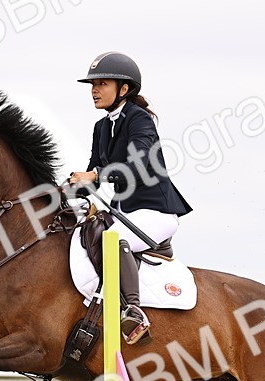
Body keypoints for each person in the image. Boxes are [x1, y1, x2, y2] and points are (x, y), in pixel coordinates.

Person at [68, 52, 192, 344]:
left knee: (112, 240)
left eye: (102, 84)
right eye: (92, 85)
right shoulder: (101, 127)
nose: (94, 90)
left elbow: (136, 164)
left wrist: (94, 175)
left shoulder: (140, 119)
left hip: (156, 212)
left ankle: (133, 311)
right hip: (126, 213)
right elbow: (93, 170)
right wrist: (69, 189)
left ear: (124, 89)